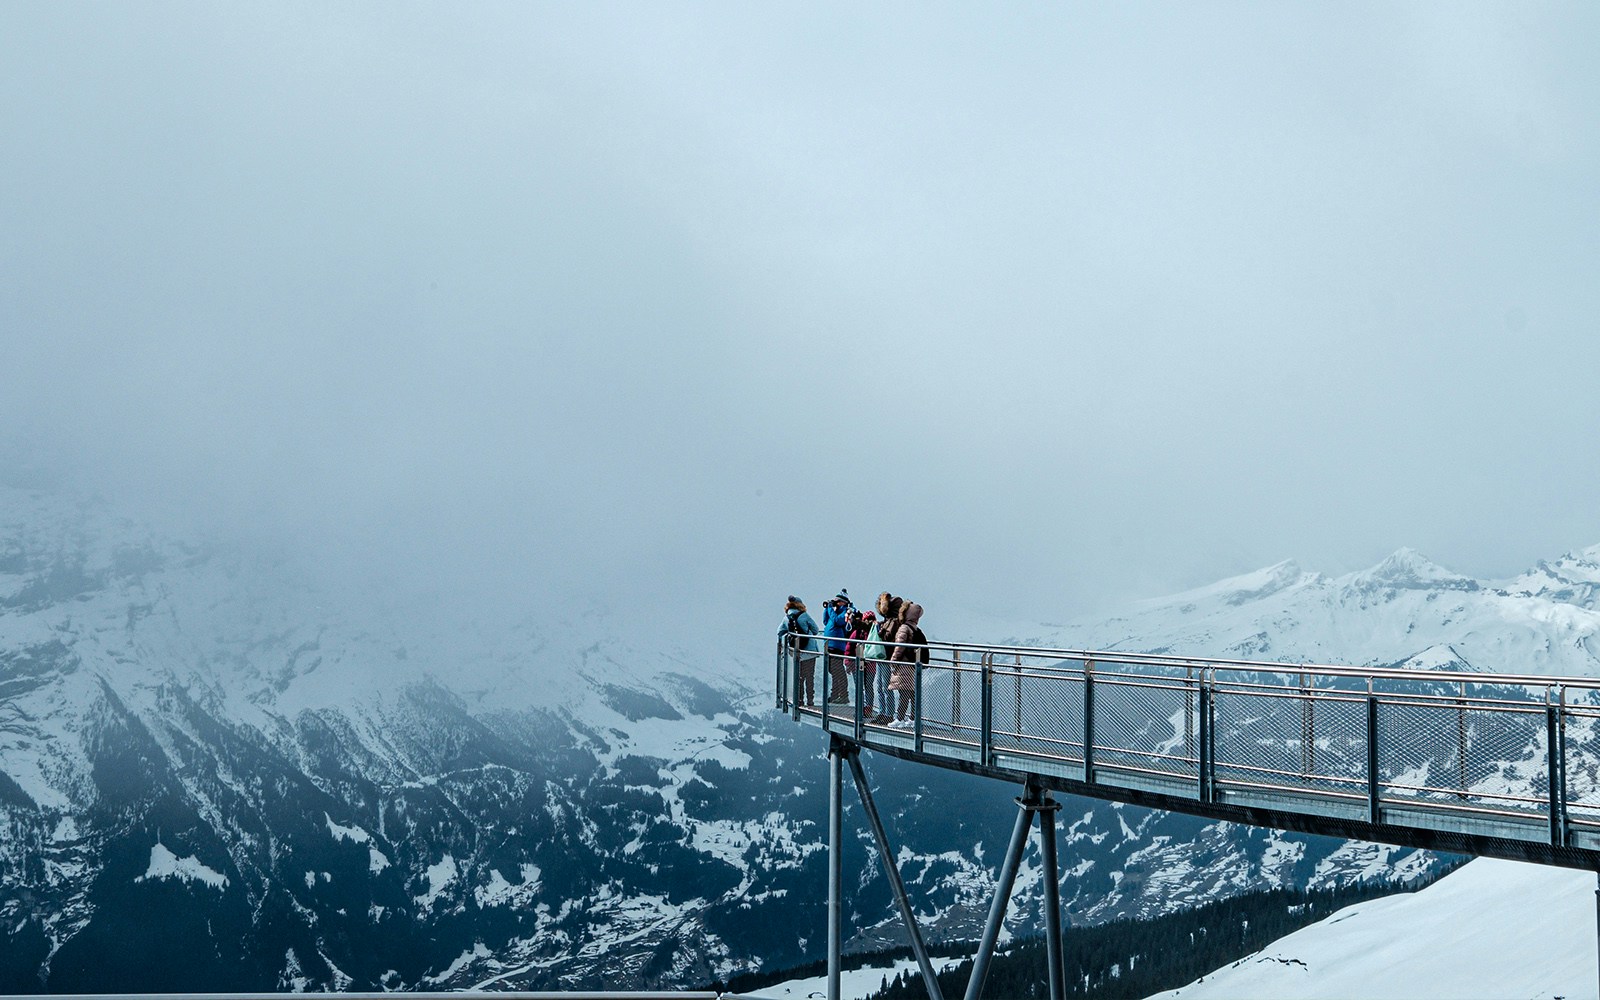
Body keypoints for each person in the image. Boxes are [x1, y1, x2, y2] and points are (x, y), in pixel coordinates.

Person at [888, 601, 924, 728]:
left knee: (904, 693)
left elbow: (899, 647)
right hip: (914, 664)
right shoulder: (915, 629)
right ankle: (913, 719)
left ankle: (900, 719)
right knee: (912, 694)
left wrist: (893, 661)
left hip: (904, 664)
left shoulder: (904, 628)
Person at [781, 596, 821, 706]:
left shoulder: (786, 618)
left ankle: (799, 700)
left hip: (797, 652)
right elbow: (816, 630)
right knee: (810, 677)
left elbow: (780, 632)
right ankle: (810, 701)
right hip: (810, 652)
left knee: (799, 677)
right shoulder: (804, 616)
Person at [871, 593, 903, 724]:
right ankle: (883, 712)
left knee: (885, 687)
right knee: (880, 686)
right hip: (883, 656)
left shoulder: (894, 622)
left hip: (887, 657)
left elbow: (887, 637)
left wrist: (880, 629)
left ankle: (888, 714)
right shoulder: (890, 621)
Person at [822, 589, 854, 704]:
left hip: (837, 645)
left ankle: (843, 695)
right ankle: (835, 694)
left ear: (843, 602)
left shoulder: (847, 612)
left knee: (838, 670)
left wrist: (830, 608)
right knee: (833, 670)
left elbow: (837, 621)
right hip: (829, 644)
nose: (835, 602)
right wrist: (827, 608)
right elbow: (826, 621)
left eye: (838, 601)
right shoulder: (836, 611)